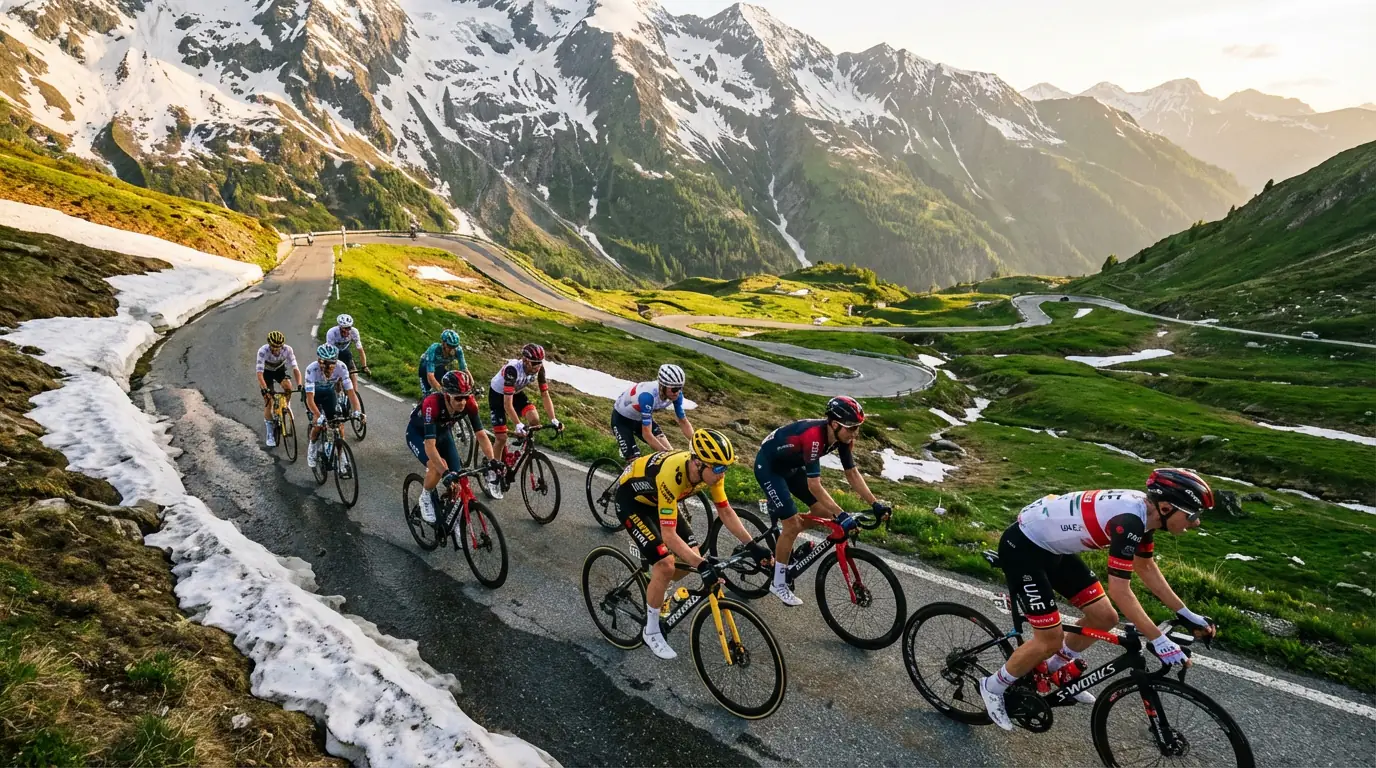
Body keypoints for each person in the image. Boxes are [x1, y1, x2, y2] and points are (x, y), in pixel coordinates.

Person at [978, 469, 1219, 730]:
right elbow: (1120, 590)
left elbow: (1146, 568)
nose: (1195, 523)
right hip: (1024, 549)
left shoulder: (1146, 515)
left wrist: (1187, 614)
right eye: (1193, 515)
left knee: (1105, 618)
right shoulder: (1129, 521)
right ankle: (993, 687)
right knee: (1049, 639)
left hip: (1053, 548)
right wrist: (1158, 639)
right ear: (1165, 507)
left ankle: (1053, 669)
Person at [614, 429, 741, 660]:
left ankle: (656, 588)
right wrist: (703, 566)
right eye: (720, 468)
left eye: (726, 468)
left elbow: (726, 512)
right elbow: (669, 536)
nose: (723, 474)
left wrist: (753, 546)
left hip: (660, 501)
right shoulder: (673, 473)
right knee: (666, 564)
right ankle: (650, 631)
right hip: (632, 503)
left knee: (691, 557)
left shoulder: (709, 473)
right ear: (699, 463)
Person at [755, 396, 889, 607]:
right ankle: (778, 582)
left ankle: (787, 537)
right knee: (794, 524)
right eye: (851, 428)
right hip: (770, 468)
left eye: (858, 427)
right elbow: (814, 486)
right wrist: (842, 514)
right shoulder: (814, 438)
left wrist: (875, 503)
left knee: (826, 515)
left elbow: (852, 473)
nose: (856, 433)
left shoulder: (842, 437)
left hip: (790, 467)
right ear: (834, 424)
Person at [405, 371, 504, 521]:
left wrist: (492, 460)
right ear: (446, 395)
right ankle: (425, 496)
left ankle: (451, 514)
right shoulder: (432, 404)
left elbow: (481, 435)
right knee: (437, 468)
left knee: (459, 478)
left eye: (465, 397)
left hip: (443, 434)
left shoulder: (469, 403)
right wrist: (444, 472)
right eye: (458, 398)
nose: (463, 402)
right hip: (419, 435)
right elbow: (430, 446)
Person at [488, 343, 561, 465]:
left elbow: (545, 394)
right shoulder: (512, 370)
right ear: (525, 360)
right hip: (498, 395)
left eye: (540, 363)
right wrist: (517, 424)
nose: (537, 367)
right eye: (534, 363)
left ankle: (522, 446)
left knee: (534, 419)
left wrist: (553, 419)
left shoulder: (539, 369)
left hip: (515, 393)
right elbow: (507, 404)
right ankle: (493, 473)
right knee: (501, 438)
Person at [611, 364, 695, 460]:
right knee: (635, 460)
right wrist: (664, 454)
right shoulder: (647, 396)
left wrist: (696, 443)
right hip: (622, 421)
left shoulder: (676, 395)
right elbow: (647, 435)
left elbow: (683, 421)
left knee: (671, 454)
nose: (677, 392)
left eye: (680, 388)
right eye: (674, 389)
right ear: (662, 386)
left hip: (640, 418)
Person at [303, 344, 364, 468]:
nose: (327, 367)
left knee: (338, 425)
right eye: (323, 363)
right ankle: (312, 448)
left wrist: (358, 411)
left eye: (331, 364)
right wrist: (317, 415)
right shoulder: (311, 369)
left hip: (329, 394)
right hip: (314, 396)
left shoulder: (341, 367)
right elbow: (309, 399)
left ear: (335, 362)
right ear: (318, 361)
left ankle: (341, 456)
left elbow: (351, 393)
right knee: (318, 424)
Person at [256, 331, 302, 447]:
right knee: (268, 402)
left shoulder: (288, 350)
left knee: (288, 387)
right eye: (273, 347)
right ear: (269, 344)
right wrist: (265, 389)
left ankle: (287, 404)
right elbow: (259, 374)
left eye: (279, 347)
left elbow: (295, 368)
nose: (276, 350)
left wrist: (300, 384)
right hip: (266, 373)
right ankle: (270, 433)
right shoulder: (263, 351)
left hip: (279, 370)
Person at [325, 314, 369, 393]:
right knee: (336, 377)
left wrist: (364, 366)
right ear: (339, 327)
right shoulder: (332, 333)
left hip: (345, 352)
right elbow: (330, 352)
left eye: (349, 328)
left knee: (353, 372)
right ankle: (337, 395)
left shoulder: (354, 332)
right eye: (344, 328)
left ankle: (355, 394)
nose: (347, 331)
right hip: (333, 353)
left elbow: (360, 350)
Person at [418, 329, 468, 396]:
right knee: (428, 395)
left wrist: (471, 385)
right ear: (443, 343)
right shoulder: (434, 349)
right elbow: (430, 375)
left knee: (449, 391)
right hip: (425, 370)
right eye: (450, 346)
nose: (452, 349)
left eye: (454, 346)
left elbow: (464, 369)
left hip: (439, 369)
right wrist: (441, 390)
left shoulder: (458, 350)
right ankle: (422, 404)